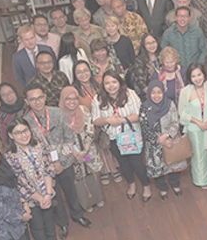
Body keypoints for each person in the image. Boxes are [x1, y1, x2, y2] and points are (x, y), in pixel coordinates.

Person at [23, 83, 92, 236]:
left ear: (45, 97)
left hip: (64, 161)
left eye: (40, 97)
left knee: (70, 191)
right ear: (27, 101)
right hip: (45, 169)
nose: (37, 102)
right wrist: (49, 165)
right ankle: (62, 223)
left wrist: (61, 161)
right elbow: (28, 147)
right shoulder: (26, 122)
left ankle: (77, 216)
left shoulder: (58, 113)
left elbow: (69, 137)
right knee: (54, 196)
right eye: (33, 99)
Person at [4, 118, 67, 240]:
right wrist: (40, 198)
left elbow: (48, 168)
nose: (23, 135)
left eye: (25, 130)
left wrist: (48, 194)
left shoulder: (39, 146)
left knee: (49, 218)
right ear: (10, 135)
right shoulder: (10, 158)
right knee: (37, 224)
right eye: (18, 133)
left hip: (47, 191)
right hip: (31, 198)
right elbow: (20, 183)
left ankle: (53, 239)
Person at [92, 70, 149, 200]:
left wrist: (121, 120)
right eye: (107, 83)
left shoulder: (130, 94)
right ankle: (131, 184)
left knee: (137, 163)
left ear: (119, 82)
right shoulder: (98, 99)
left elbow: (139, 114)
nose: (111, 86)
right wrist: (107, 120)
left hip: (132, 136)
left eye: (114, 82)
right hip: (113, 138)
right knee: (123, 163)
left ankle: (146, 185)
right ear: (103, 85)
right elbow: (95, 120)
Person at [72, 60, 122, 185]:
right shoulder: (74, 90)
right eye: (79, 72)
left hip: (105, 120)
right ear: (74, 74)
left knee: (108, 147)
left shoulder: (99, 83)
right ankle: (102, 172)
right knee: (94, 151)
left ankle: (114, 168)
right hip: (88, 125)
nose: (83, 74)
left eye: (85, 70)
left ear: (90, 71)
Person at [140, 79, 187, 201]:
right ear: (149, 93)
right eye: (153, 92)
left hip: (171, 141)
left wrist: (167, 136)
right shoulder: (145, 107)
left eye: (159, 92)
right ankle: (163, 187)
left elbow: (176, 122)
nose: (156, 96)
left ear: (163, 92)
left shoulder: (170, 104)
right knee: (158, 170)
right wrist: (159, 140)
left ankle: (175, 183)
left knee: (174, 164)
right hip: (154, 145)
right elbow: (144, 128)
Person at [58, 86, 104, 211]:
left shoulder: (83, 110)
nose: (72, 102)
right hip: (73, 155)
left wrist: (85, 150)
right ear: (62, 99)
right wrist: (76, 153)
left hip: (88, 151)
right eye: (68, 99)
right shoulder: (59, 116)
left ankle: (98, 198)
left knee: (93, 173)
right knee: (79, 177)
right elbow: (60, 138)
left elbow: (90, 129)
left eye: (75, 98)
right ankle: (86, 202)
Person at [178, 63, 207, 189]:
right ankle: (200, 180)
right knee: (199, 155)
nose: (197, 78)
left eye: (199, 74)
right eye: (193, 76)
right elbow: (182, 113)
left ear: (204, 74)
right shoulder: (185, 91)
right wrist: (198, 122)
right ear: (190, 78)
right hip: (194, 128)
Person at [0, 82, 27, 151]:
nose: (9, 96)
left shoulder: (27, 105)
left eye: (10, 92)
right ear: (0, 98)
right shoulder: (0, 114)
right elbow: (2, 138)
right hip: (16, 149)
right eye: (4, 95)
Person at [130, 33, 162, 99]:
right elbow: (141, 84)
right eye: (148, 43)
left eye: (153, 42)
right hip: (149, 95)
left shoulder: (162, 56)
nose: (151, 45)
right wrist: (155, 95)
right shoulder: (139, 61)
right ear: (144, 45)